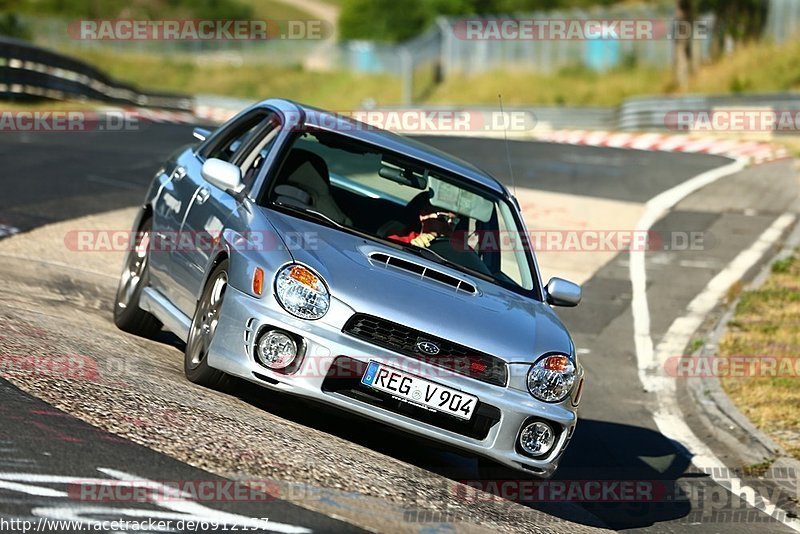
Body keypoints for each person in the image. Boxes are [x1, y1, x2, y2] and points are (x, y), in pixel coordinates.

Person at [388, 202, 459, 248]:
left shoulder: (456, 255)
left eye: (455, 221)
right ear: (424, 215)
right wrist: (411, 248)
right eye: (444, 218)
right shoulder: (397, 242)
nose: (449, 226)